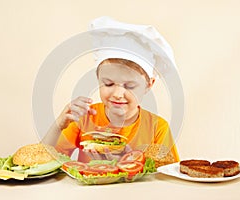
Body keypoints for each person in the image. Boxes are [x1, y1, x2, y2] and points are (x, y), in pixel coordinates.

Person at [43, 16, 180, 163]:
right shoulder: (84, 119)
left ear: (149, 85)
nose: (117, 94)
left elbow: (166, 176)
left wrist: (130, 164)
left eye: (130, 86)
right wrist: (58, 126)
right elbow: (43, 161)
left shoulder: (157, 128)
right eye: (108, 84)